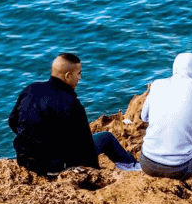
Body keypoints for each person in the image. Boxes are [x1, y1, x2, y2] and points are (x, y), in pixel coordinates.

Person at [9, 52, 140, 175]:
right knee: (106, 138)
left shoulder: (30, 90)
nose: (80, 78)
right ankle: (133, 166)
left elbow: (13, 122)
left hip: (25, 161)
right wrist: (94, 172)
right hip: (54, 167)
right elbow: (86, 146)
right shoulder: (71, 102)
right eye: (78, 74)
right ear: (67, 76)